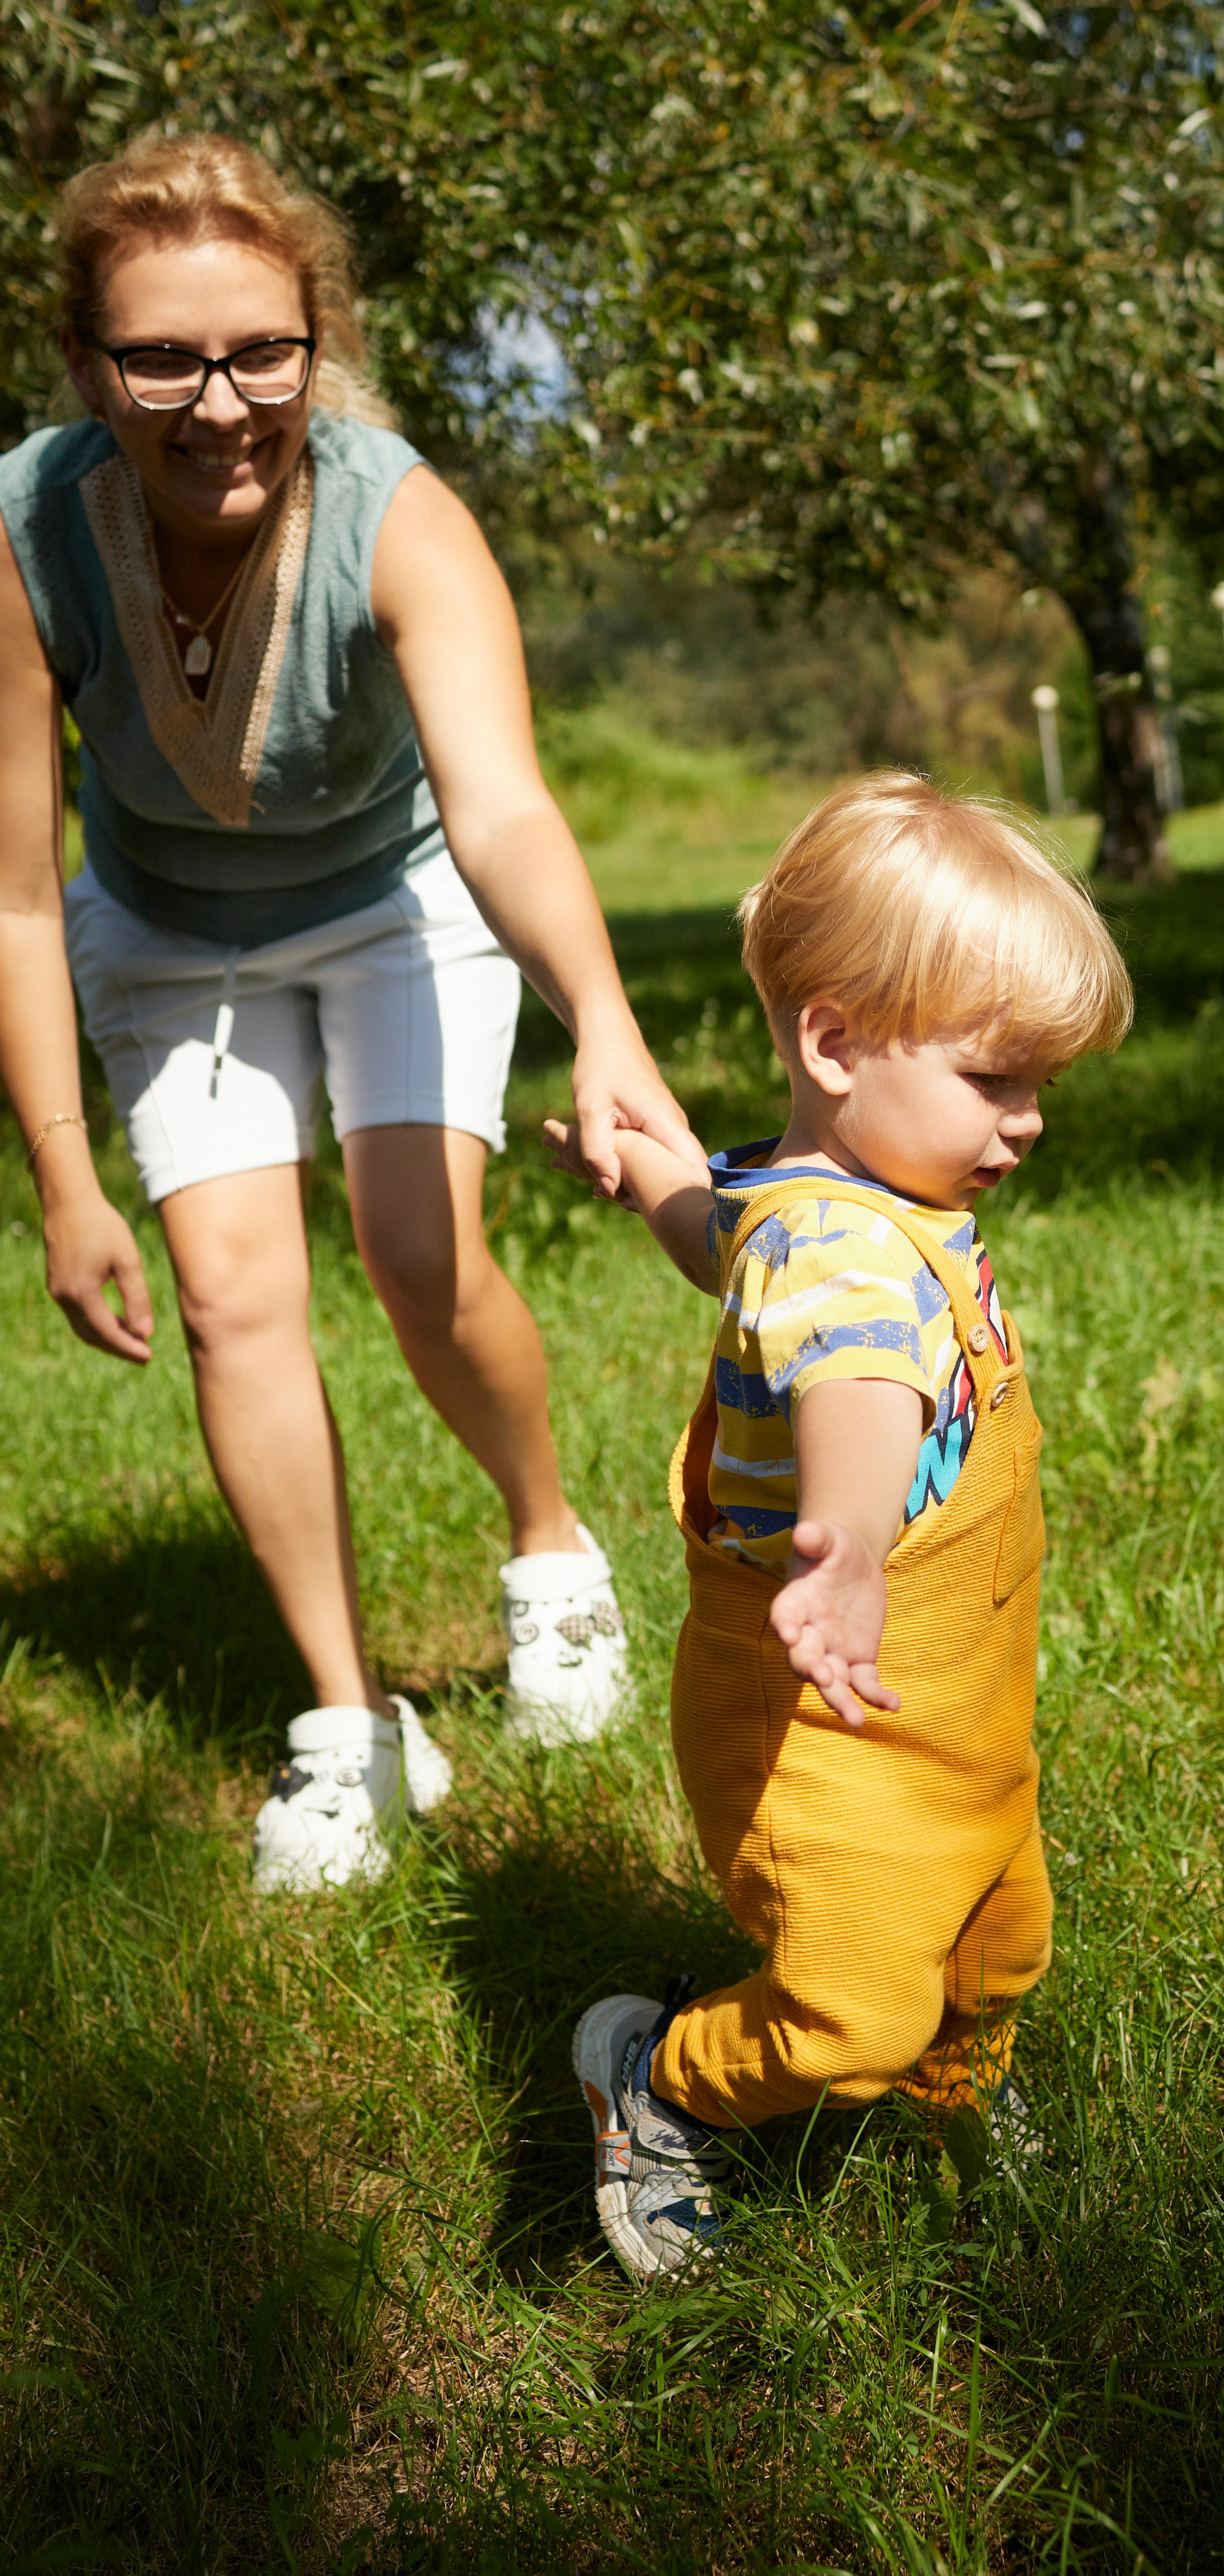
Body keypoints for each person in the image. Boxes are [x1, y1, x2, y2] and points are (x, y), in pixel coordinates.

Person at [0, 133, 700, 1892]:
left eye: (262, 352)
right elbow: (16, 888)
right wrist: (67, 1182)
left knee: (416, 1252)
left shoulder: (400, 514)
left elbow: (507, 809)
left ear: (320, 340)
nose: (217, 400)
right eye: (161, 356)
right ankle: (349, 1725)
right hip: (167, 935)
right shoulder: (25, 532)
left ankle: (550, 1553)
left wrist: (603, 1021)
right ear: (90, 367)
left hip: (393, 905)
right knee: (239, 1307)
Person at [545, 774, 1133, 2276]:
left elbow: (718, 1236)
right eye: (997, 1079)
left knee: (998, 1938)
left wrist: (647, 1177)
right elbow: (861, 1393)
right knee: (850, 2008)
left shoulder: (822, 1200)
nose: (1029, 1119)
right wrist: (853, 1542)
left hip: (949, 1702)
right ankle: (660, 2077)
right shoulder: (845, 1252)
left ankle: (957, 2108)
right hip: (828, 1707)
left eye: (1037, 1083)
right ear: (832, 1041)